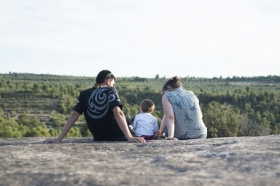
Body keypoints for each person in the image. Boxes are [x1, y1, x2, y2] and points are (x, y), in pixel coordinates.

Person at [43, 70, 146, 143]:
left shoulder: (84, 94)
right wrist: (129, 137)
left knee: (128, 120)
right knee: (129, 120)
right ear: (108, 81)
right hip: (118, 136)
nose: (112, 86)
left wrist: (59, 138)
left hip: (98, 137)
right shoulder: (110, 90)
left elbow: (73, 116)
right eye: (112, 84)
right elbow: (118, 113)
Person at [157, 76, 207, 140]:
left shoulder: (167, 96)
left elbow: (170, 117)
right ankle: (161, 132)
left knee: (168, 114)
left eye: (163, 92)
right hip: (201, 134)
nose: (163, 94)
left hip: (181, 136)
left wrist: (170, 136)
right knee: (167, 113)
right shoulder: (191, 93)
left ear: (168, 88)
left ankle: (161, 133)